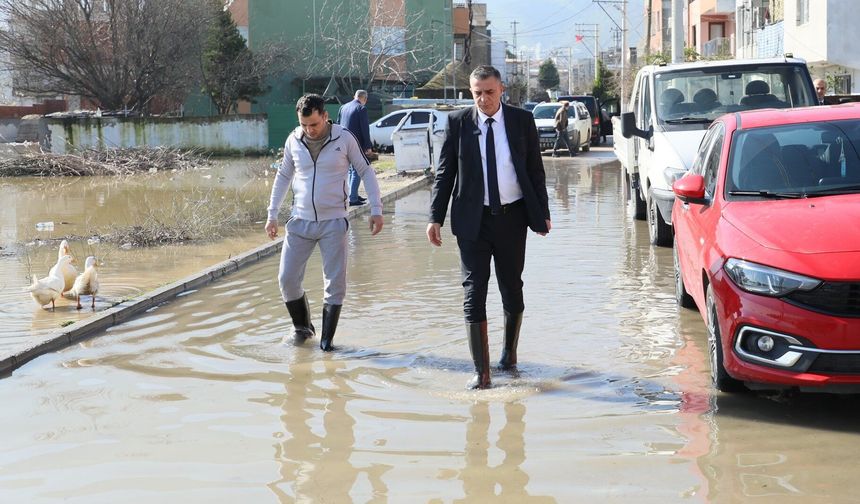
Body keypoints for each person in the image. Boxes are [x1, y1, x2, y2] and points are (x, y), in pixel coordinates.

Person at [426, 65, 552, 389]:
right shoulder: (457, 123)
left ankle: (509, 356)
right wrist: (435, 217)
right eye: (477, 93)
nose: (483, 99)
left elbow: (535, 170)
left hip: (512, 218)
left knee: (512, 288)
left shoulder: (521, 121)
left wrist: (542, 213)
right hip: (473, 222)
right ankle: (481, 374)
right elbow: (445, 174)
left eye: (489, 92)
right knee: (473, 292)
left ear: (502, 89)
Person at [266, 94, 384, 351]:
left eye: (314, 124)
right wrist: (272, 214)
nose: (309, 130)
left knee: (334, 284)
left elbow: (365, 170)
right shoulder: (294, 140)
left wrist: (376, 209)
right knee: (287, 279)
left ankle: (327, 343)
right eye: (304, 125)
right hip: (300, 221)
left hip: (333, 222)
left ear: (325, 116)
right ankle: (302, 328)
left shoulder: (344, 138)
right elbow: (284, 175)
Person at [336, 90, 374, 205]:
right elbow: (365, 129)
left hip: (343, 143)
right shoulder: (361, 109)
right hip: (356, 144)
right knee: (357, 170)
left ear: (354, 96)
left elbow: (337, 125)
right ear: (365, 99)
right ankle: (352, 198)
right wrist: (368, 146)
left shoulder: (343, 108)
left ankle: (352, 194)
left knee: (350, 170)